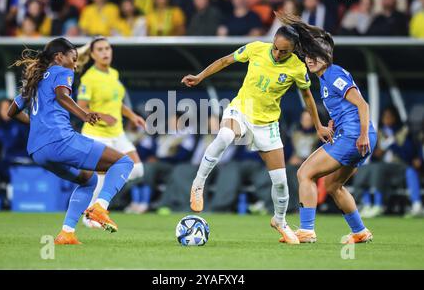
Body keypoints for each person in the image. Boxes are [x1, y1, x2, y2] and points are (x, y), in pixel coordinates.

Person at [181, 13, 334, 244]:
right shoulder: (256, 48)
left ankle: (280, 221)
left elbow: (307, 98)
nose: (277, 53)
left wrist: (319, 125)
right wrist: (200, 77)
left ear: (293, 50)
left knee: (281, 182)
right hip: (241, 110)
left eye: (283, 51)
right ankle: (198, 184)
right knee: (224, 135)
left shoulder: (296, 68)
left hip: (267, 124)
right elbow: (225, 60)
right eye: (275, 48)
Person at [7, 37, 134, 245]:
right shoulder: (61, 71)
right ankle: (100, 207)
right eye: (73, 58)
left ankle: (67, 233)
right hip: (60, 141)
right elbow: (62, 96)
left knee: (88, 180)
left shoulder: (35, 80)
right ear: (59, 57)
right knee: (124, 162)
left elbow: (11, 112)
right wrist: (84, 115)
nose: (75, 64)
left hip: (38, 151)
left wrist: (38, 126)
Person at [284, 14, 377, 244]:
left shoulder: (333, 74)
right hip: (356, 135)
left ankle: (306, 231)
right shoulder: (325, 78)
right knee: (334, 185)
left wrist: (362, 134)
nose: (310, 60)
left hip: (355, 136)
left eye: (315, 56)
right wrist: (335, 121)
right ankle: (360, 232)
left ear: (327, 57)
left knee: (304, 173)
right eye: (307, 56)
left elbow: (362, 105)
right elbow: (346, 106)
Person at [76, 36, 146, 228]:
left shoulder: (113, 74)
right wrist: (102, 116)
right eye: (99, 49)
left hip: (117, 133)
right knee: (101, 177)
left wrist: (132, 116)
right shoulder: (88, 78)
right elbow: (81, 107)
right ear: (92, 54)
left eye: (107, 48)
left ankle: (95, 205)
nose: (105, 52)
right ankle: (90, 214)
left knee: (137, 169)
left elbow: (117, 102)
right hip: (96, 134)